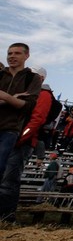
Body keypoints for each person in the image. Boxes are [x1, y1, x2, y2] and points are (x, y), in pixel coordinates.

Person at [0, 43, 41, 177]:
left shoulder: (32, 78)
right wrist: (14, 99)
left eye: (17, 53)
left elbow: (28, 106)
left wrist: (5, 96)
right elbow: (20, 104)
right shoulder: (1, 75)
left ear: (26, 56)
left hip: (10, 130)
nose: (12, 56)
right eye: (9, 53)